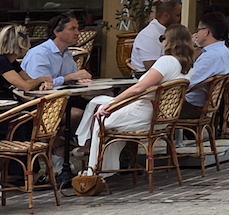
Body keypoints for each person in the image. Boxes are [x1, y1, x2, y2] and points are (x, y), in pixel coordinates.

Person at [75, 25, 191, 157]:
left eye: (163, 38)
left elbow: (139, 88)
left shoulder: (166, 61)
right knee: (97, 102)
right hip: (162, 120)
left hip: (143, 116)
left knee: (100, 113)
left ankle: (93, 163)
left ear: (170, 41)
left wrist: (113, 103)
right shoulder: (186, 68)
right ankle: (106, 159)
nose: (162, 42)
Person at [23, 13, 97, 89]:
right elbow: (39, 85)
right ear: (57, 32)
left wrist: (81, 78)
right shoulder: (39, 54)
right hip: (40, 99)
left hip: (62, 97)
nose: (78, 33)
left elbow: (73, 78)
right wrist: (67, 78)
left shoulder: (67, 53)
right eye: (72, 29)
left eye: (77, 29)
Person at [185, 13, 229, 109]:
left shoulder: (211, 56)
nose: (196, 34)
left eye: (198, 29)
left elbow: (188, 82)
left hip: (190, 106)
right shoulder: (225, 51)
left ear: (206, 32)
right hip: (207, 105)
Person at [129, 0, 175, 74]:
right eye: (178, 15)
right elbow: (152, 68)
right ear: (166, 15)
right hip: (148, 80)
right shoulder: (150, 35)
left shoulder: (166, 31)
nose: (180, 19)